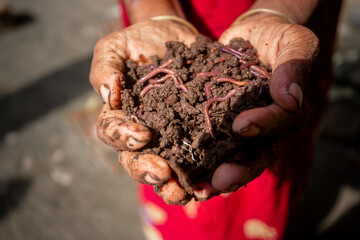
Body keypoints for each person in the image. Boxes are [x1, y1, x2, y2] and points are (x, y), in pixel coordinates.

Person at [90, 0, 342, 239]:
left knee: (268, 137)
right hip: (167, 23)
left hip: (279, 31)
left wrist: (280, 9)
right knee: (167, 168)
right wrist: (153, 10)